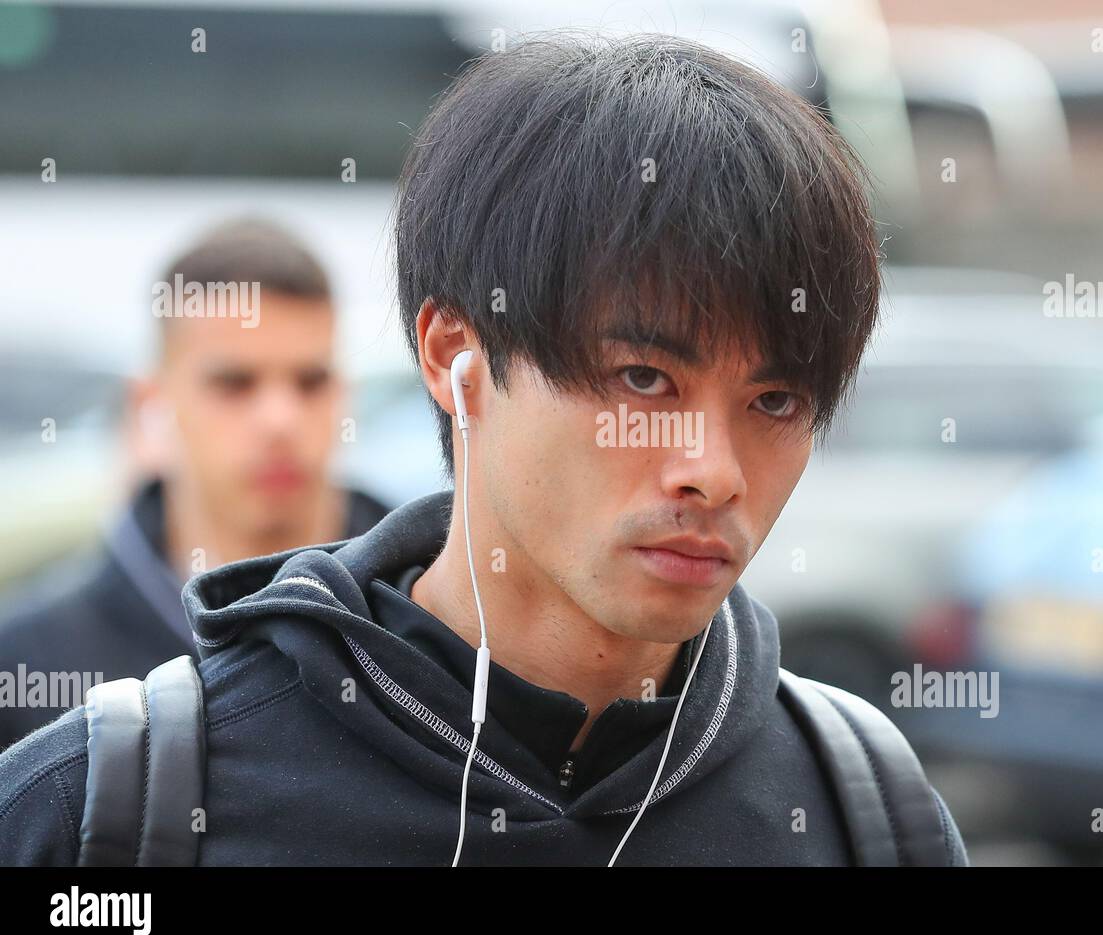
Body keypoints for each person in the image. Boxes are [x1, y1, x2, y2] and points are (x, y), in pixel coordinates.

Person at [0, 34, 967, 865]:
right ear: (456, 355)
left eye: (775, 399)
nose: (711, 469)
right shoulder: (117, 805)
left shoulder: (865, 811)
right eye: (643, 379)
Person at [0, 218, 390, 751]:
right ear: (151, 402)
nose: (280, 419)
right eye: (234, 383)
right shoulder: (27, 661)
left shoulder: (429, 612)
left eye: (310, 381)